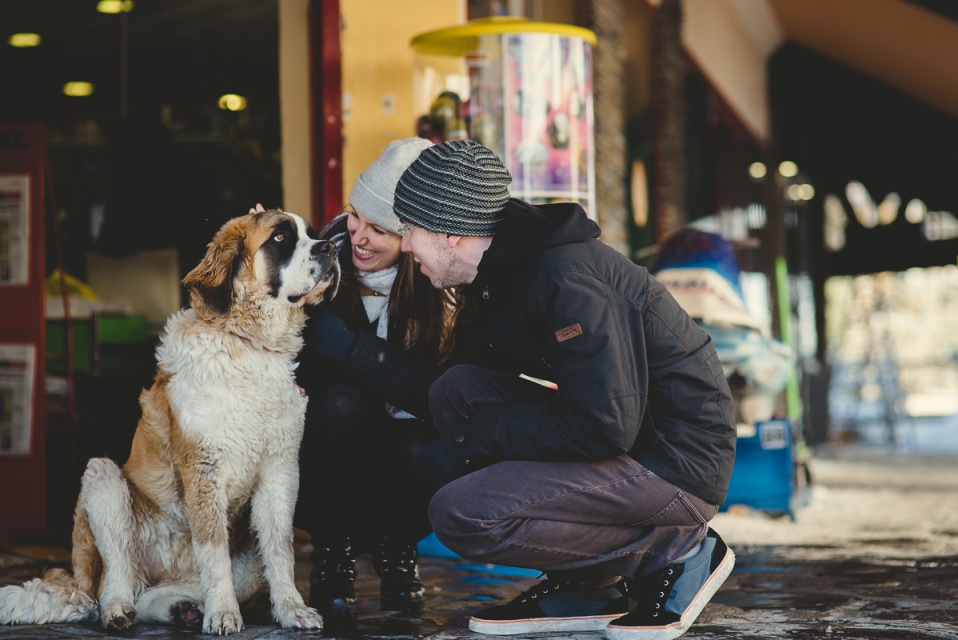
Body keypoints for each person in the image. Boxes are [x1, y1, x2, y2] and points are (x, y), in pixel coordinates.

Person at [309, 139, 736, 640]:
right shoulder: (496, 274)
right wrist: (347, 347)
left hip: (675, 460)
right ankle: (587, 585)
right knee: (456, 391)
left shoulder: (566, 278)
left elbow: (603, 424)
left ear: (449, 233)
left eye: (410, 230)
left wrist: (469, 443)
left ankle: (678, 551)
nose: (404, 247)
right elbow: (443, 386)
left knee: (461, 514)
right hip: (627, 431)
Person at [291, 137, 458, 619]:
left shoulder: (437, 288)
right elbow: (300, 371)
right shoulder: (316, 264)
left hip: (395, 466)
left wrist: (343, 344)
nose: (358, 237)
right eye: (355, 216)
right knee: (340, 403)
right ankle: (332, 555)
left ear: (411, 237)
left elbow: (432, 391)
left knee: (419, 443)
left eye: (378, 229)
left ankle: (397, 552)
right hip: (324, 457)